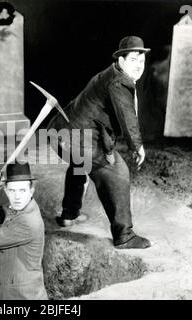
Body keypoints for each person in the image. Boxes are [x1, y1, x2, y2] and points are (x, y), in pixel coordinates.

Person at [47, 36, 151, 249]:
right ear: (121, 60)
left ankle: (69, 215)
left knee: (79, 164)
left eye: (141, 61)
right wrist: (137, 146)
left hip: (59, 133)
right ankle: (125, 236)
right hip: (77, 139)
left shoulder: (110, 73)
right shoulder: (119, 82)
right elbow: (128, 117)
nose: (139, 65)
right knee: (118, 172)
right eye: (133, 60)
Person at [0, 162, 48, 299]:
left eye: (22, 190)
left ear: (31, 191)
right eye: (12, 191)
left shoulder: (29, 222)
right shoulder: (21, 207)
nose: (17, 197)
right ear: (6, 190)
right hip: (7, 289)